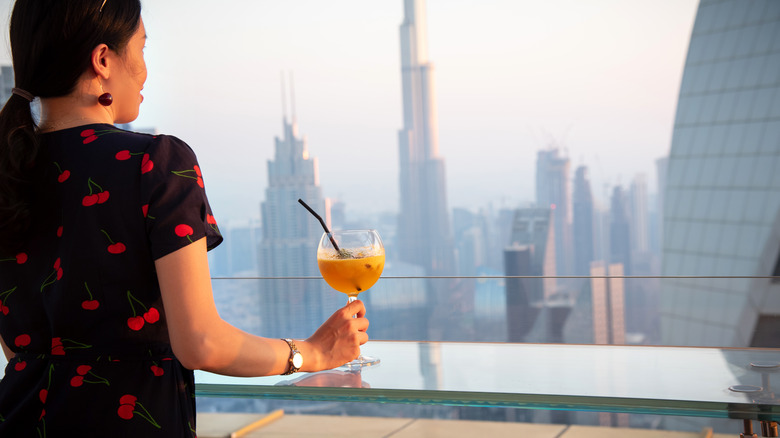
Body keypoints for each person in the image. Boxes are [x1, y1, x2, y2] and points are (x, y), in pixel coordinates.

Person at [0, 1, 369, 436]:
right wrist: (310, 353)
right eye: (141, 48)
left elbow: (17, 345)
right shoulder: (154, 162)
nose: (144, 70)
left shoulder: (10, 170)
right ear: (102, 61)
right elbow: (201, 343)